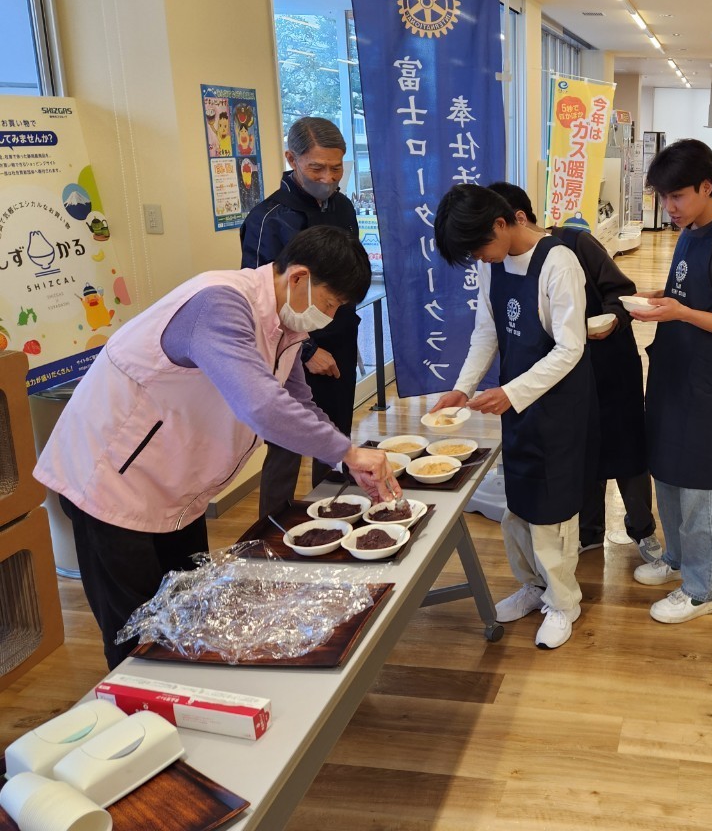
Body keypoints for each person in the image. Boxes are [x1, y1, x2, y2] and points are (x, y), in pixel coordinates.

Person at [34, 226, 399, 669]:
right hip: (110, 480)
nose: (330, 315)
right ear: (299, 278)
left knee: (190, 611)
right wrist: (348, 453)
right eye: (330, 303)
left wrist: (345, 457)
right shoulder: (220, 304)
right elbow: (260, 404)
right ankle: (143, 705)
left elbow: (296, 400)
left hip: (174, 487)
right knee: (136, 631)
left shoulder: (284, 325)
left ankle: (189, 698)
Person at [430, 185, 592, 650]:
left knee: (552, 510)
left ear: (501, 224)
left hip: (556, 402)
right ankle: (533, 586)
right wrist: (463, 387)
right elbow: (488, 332)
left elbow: (571, 348)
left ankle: (564, 601)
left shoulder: (558, 262)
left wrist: (511, 392)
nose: (479, 259)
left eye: (479, 247)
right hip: (515, 401)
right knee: (519, 500)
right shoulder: (493, 264)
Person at [488, 181, 661, 563]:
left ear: (516, 218)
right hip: (565, 376)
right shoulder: (507, 265)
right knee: (584, 454)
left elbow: (622, 290)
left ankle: (642, 529)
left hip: (610, 364)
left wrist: (611, 320)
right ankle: (590, 531)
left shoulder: (574, 245)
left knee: (628, 452)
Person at [628, 139, 712, 624]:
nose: (670, 206)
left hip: (706, 380)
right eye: (664, 197)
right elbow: (688, 295)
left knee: (701, 480)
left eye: (678, 196)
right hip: (671, 368)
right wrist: (661, 298)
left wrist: (682, 312)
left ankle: (704, 589)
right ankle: (678, 557)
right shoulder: (689, 231)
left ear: (707, 187)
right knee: (666, 467)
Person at [240, 117, 364, 519]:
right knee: (287, 441)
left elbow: (349, 277)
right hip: (293, 344)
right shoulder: (269, 217)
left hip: (339, 337)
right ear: (292, 159)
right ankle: (271, 528)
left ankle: (333, 516)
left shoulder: (343, 207)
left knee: (335, 433)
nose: (328, 178)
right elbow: (261, 295)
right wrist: (308, 350)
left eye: (336, 168)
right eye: (317, 168)